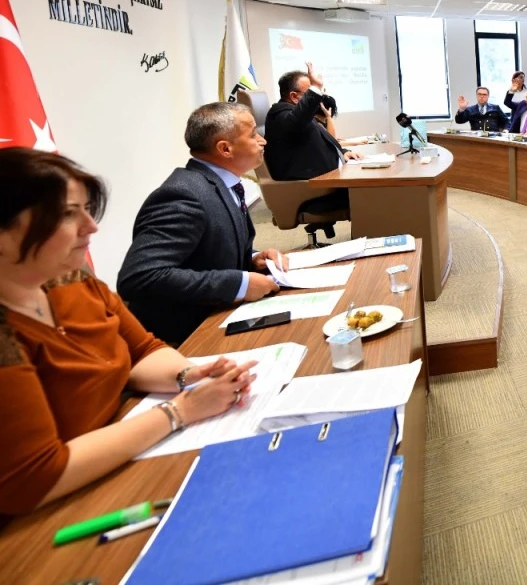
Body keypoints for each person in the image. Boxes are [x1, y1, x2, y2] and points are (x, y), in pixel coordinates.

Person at [0, 148, 257, 516]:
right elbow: (36, 477)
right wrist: (179, 411)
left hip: (124, 448)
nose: (91, 227)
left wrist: (190, 375)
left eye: (87, 209)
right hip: (57, 507)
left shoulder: (73, 281)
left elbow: (142, 351)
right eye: (68, 214)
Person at [118, 102, 287, 346]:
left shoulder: (219, 184)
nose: (263, 141)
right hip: (188, 338)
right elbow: (140, 277)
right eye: (253, 135)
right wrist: (239, 284)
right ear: (225, 148)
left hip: (221, 315)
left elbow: (204, 251)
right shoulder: (183, 195)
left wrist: (252, 258)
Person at [263, 62, 363, 214]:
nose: (319, 99)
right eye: (308, 92)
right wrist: (315, 88)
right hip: (311, 190)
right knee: (370, 194)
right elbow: (298, 119)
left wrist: (343, 152)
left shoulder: (295, 115)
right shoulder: (281, 115)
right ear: (294, 96)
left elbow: (323, 140)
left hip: (326, 181)